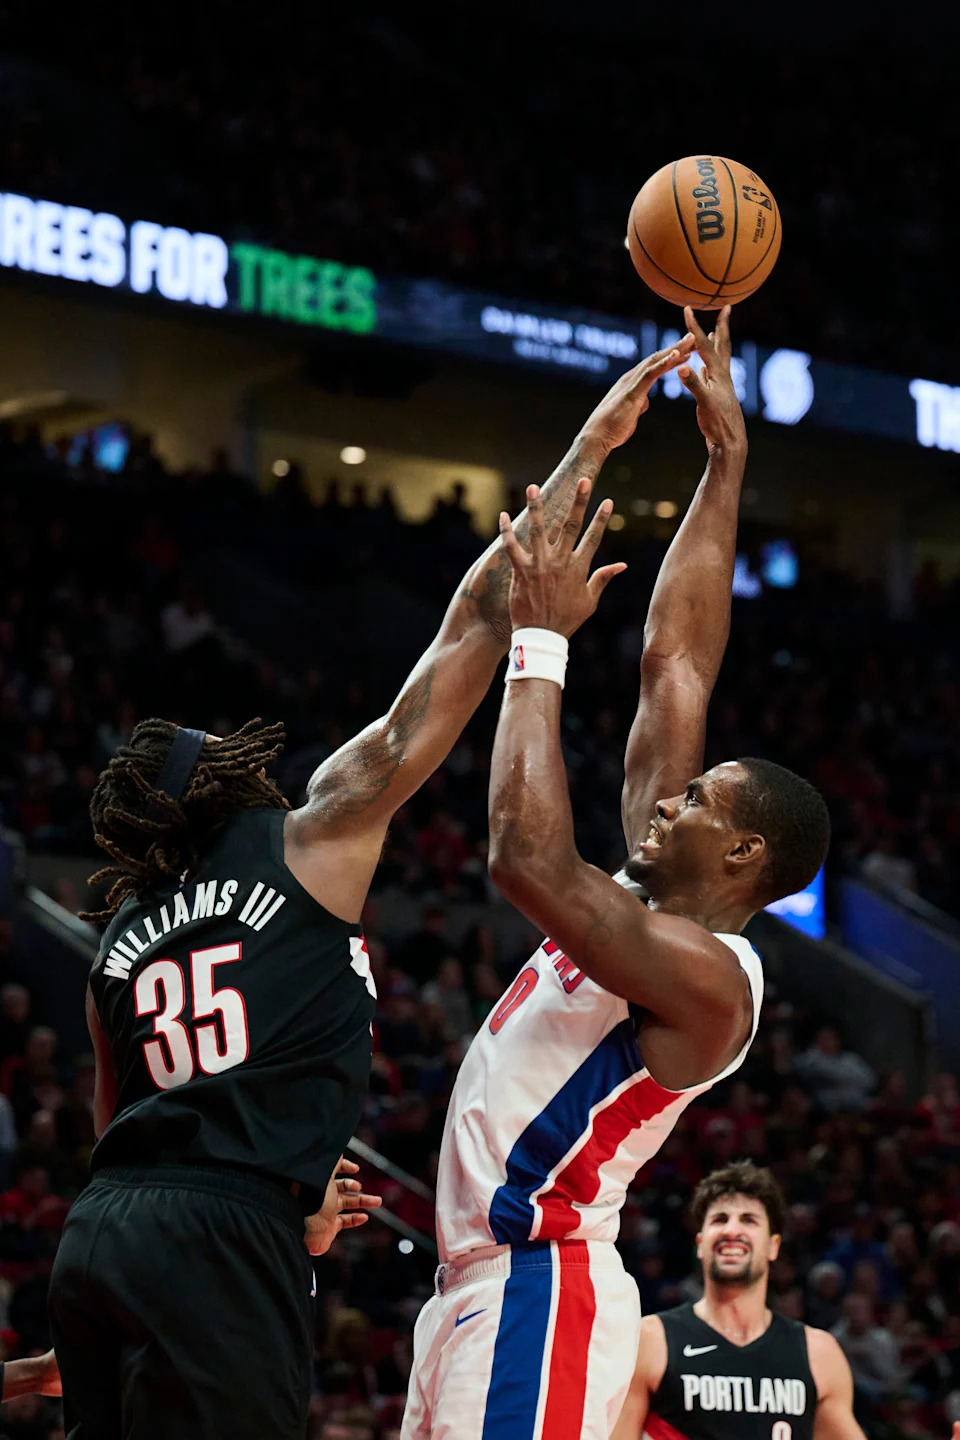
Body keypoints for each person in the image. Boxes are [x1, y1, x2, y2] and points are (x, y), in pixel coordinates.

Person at [48, 334, 694, 1440]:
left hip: (103, 1234)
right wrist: (591, 444)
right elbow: (453, 651)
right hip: (219, 1234)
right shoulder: (305, 837)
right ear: (219, 787)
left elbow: (119, 1123)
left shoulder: (117, 934)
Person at [401, 309, 831, 1440]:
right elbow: (675, 661)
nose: (669, 797)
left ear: (742, 855)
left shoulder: (710, 981)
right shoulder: (652, 891)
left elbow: (525, 857)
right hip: (476, 1290)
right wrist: (725, 459)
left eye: (698, 801)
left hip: (544, 1290)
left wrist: (539, 642)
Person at [611, 1163, 865, 1440]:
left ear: (773, 1245)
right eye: (720, 1219)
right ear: (700, 1242)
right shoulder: (651, 1340)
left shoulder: (818, 1354)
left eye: (749, 1220)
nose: (732, 1230)